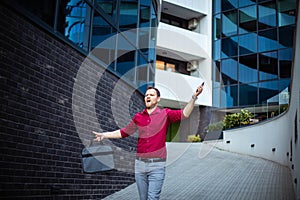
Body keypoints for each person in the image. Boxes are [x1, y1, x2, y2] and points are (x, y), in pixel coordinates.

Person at [93, 84, 204, 200]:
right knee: (143, 198)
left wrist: (194, 97)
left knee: (152, 198)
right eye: (146, 95)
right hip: (140, 165)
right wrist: (104, 135)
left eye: (152, 95)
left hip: (157, 165)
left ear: (158, 99)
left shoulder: (165, 114)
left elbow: (184, 114)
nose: (148, 97)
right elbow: (124, 132)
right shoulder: (138, 117)